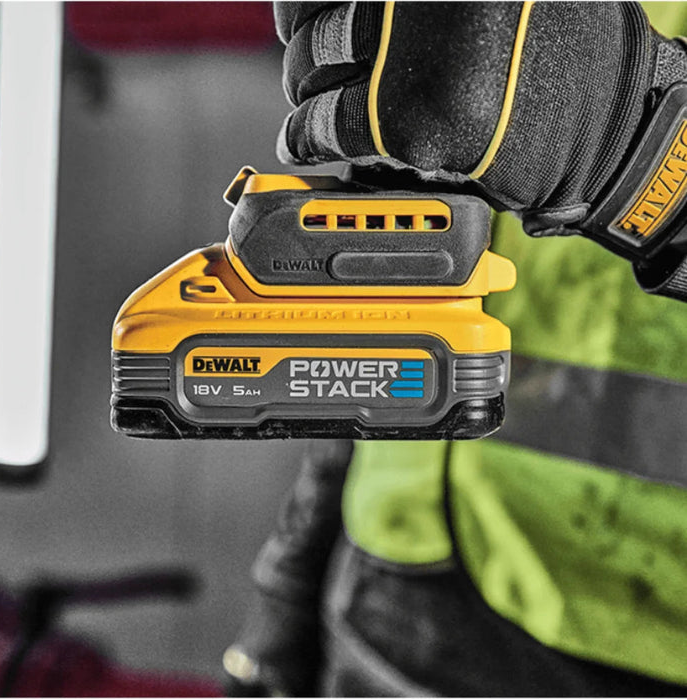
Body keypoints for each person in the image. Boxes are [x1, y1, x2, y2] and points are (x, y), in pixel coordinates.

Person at [221, 3, 687, 695]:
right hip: (390, 583)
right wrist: (295, 565)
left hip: (629, 643)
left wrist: (647, 148)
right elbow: (404, 269)